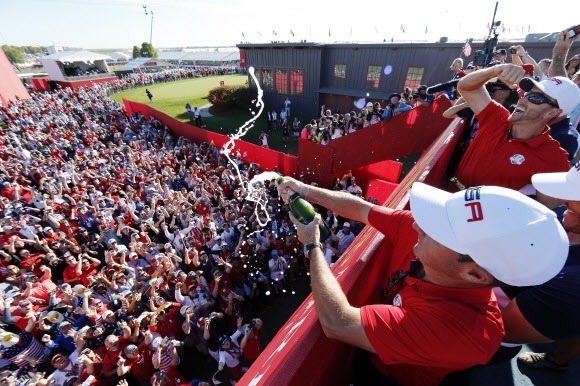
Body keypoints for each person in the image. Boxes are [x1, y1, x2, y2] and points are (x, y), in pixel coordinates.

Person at [276, 176, 568, 385]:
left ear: (475, 274)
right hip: (378, 353)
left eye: (440, 230)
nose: (417, 223)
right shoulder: (426, 239)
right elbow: (362, 209)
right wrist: (305, 191)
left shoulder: (467, 333)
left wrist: (312, 245)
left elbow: (337, 323)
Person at [454, 62, 579, 206]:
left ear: (552, 112)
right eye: (527, 94)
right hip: (447, 205)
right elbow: (466, 87)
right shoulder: (498, 118)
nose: (523, 100)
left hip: (480, 225)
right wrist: (494, 71)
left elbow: (549, 208)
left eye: (535, 98)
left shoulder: (554, 157)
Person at [495, 165, 580, 371]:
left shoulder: (572, 289)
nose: (562, 200)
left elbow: (505, 331)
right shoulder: (571, 221)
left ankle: (557, 360)